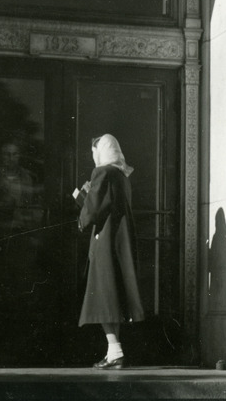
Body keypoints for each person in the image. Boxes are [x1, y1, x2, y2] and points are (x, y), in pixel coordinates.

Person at [75, 133, 144, 369]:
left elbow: (93, 209)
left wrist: (82, 215)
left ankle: (114, 351)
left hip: (104, 241)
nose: (93, 156)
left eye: (94, 151)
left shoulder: (102, 172)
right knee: (112, 295)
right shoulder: (123, 176)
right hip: (118, 241)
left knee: (103, 295)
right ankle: (114, 351)